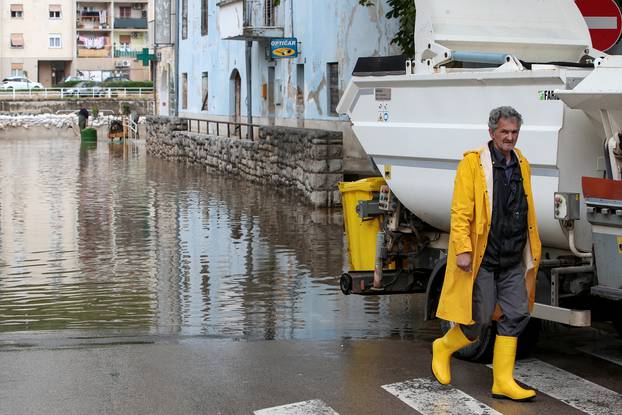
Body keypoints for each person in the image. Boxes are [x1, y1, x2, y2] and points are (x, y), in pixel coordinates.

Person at [432, 106, 542, 401]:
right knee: (478, 319)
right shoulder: (473, 164)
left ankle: (502, 381)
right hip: (483, 255)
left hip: (513, 255)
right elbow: (460, 210)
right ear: (491, 132)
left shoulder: (522, 163)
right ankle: (443, 347)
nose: (510, 137)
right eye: (504, 132)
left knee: (517, 313)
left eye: (514, 132)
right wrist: (464, 250)